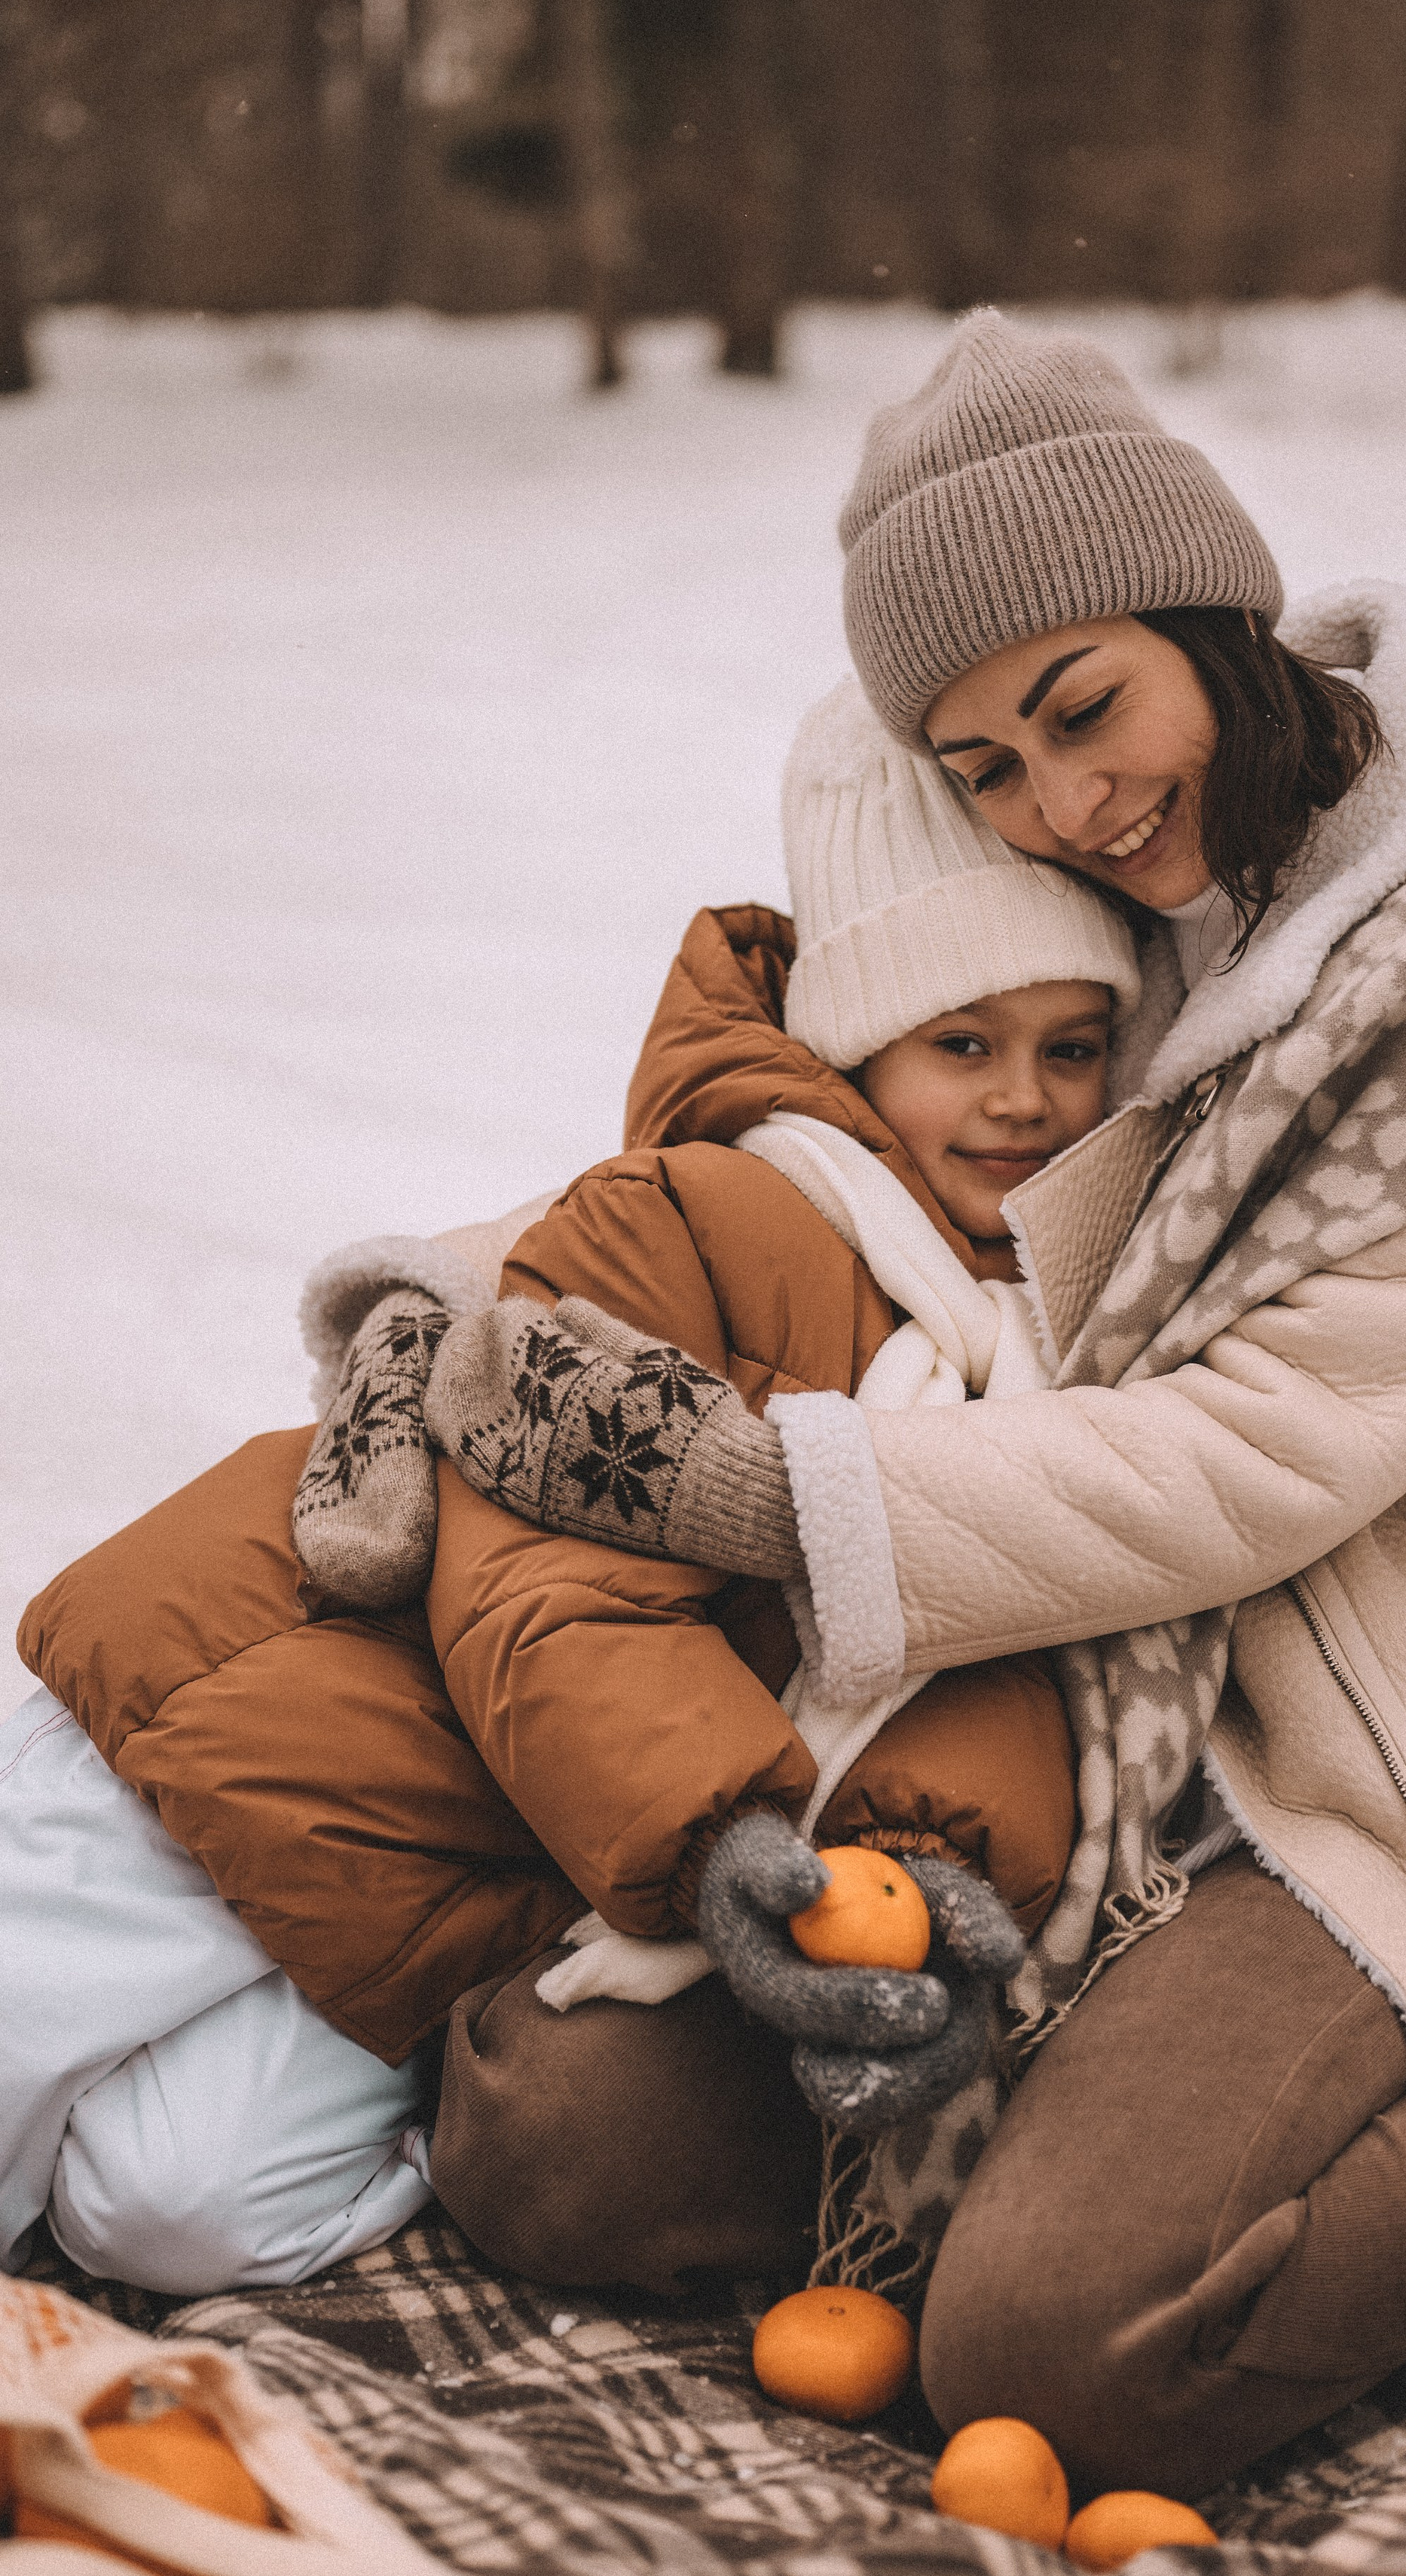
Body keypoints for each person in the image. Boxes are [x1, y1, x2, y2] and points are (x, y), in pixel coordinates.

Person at [412, 310, 1406, 2499]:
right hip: (1056, 1712)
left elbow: (1253, 1455)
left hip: (1392, 1757)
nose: (1062, 800)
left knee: (1063, 2355)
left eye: (1083, 707)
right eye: (982, 766)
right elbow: (837, 1137)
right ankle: (1082, 2113)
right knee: (550, 2134)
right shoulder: (1141, 908)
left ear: (1208, 614)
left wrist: (766, 1492)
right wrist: (449, 1309)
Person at [8, 677, 1141, 2296]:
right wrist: (715, 1835)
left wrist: (924, 1856)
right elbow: (546, 1578)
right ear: (858, 1042)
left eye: (1071, 1049)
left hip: (482, 1875)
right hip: (269, 1713)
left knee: (178, 2208)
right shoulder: (706, 1212)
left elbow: (991, 1636)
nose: (1023, 1098)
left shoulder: (1051, 1343)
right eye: (964, 1044)